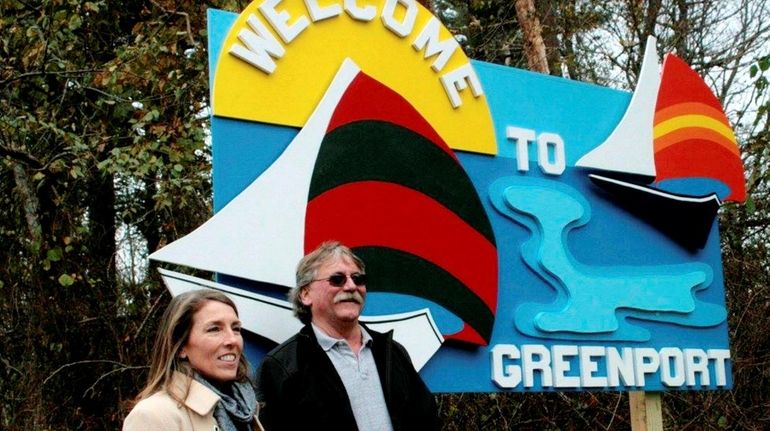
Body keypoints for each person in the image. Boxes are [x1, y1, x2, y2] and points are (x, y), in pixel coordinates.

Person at [256, 241, 440, 430]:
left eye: (358, 279)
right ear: (305, 294)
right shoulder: (282, 365)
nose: (351, 286)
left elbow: (426, 420)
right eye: (337, 279)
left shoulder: (392, 352)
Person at [124, 289, 263, 431]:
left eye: (236, 328)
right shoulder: (154, 415)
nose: (232, 340)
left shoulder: (245, 409)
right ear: (180, 346)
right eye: (214, 329)